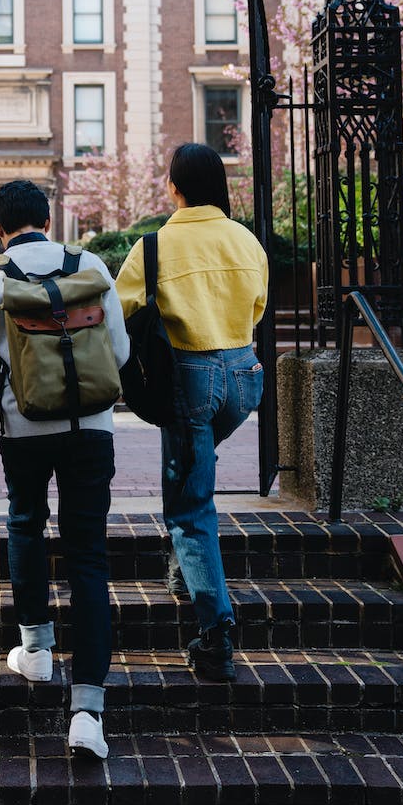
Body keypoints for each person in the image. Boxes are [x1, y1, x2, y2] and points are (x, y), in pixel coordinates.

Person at [0, 179, 130, 760]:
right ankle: (87, 711)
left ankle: (35, 650)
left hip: (24, 429)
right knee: (88, 554)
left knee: (26, 523)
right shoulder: (91, 265)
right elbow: (122, 354)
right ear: (49, 218)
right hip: (93, 428)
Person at [115, 143, 268, 681]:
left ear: (174, 187)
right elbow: (258, 308)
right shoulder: (246, 240)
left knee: (191, 508)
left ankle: (215, 632)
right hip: (246, 377)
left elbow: (120, 312)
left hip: (190, 377)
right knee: (193, 470)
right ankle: (184, 570)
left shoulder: (154, 247)